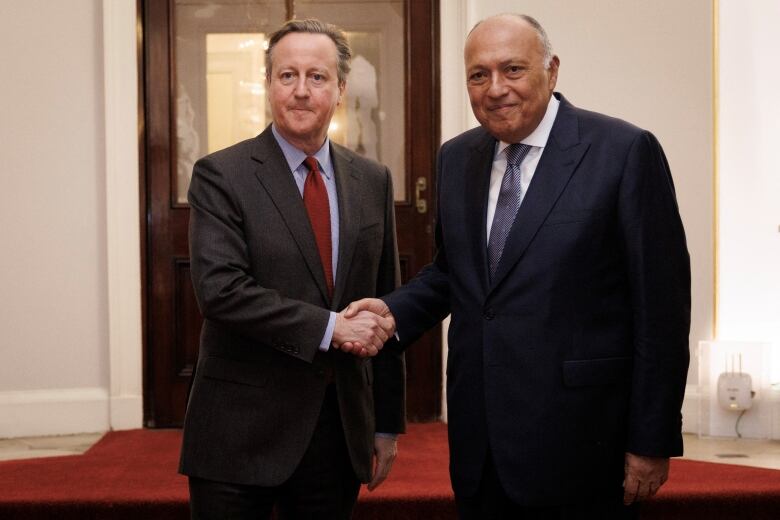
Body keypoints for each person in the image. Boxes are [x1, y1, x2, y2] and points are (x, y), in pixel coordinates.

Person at [344, 13, 690, 518]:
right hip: (479, 441)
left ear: (551, 70)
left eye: (513, 69)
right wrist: (393, 313)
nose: (496, 88)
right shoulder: (457, 157)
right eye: (478, 75)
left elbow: (662, 308)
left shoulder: (622, 151)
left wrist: (652, 437)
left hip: (583, 442)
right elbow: (453, 271)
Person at [179, 18, 405, 520]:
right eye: (287, 76)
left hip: (337, 433)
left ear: (340, 89)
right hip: (240, 434)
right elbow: (221, 291)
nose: (301, 91)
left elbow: (384, 304)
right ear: (268, 86)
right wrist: (331, 327)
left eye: (317, 77)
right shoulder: (222, 175)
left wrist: (386, 423)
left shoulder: (372, 180)